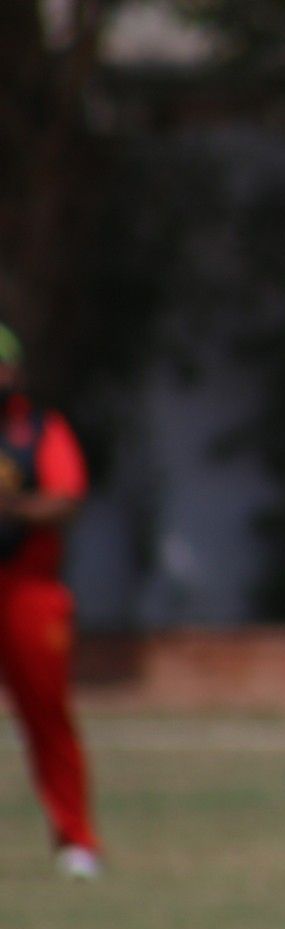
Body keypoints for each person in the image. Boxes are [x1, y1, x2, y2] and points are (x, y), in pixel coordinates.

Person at [0, 321, 100, 879]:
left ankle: (75, 840)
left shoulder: (39, 430)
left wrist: (11, 508)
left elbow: (66, 498)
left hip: (27, 589)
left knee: (47, 716)